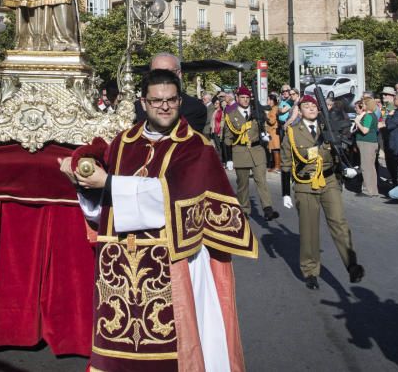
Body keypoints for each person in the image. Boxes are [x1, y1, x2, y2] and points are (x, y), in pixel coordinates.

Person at [59, 68, 258, 371]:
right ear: (143, 102)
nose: (165, 107)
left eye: (171, 100)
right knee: (117, 351)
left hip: (176, 264)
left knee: (179, 347)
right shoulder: (123, 142)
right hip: (120, 270)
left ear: (180, 100)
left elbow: (172, 196)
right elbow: (103, 210)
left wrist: (109, 184)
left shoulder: (196, 147)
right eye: (156, 101)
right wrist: (83, 184)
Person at [280, 94, 365, 289]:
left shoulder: (327, 127)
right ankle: (310, 271)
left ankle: (351, 264)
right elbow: (286, 164)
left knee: (339, 222)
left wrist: (346, 167)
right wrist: (285, 192)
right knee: (309, 230)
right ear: (299, 111)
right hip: (305, 184)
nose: (310, 108)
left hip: (328, 181)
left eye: (313, 106)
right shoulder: (292, 133)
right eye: (306, 106)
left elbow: (340, 150)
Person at [222, 85, 278, 221]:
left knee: (261, 180)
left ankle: (267, 208)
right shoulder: (231, 116)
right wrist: (228, 158)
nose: (246, 100)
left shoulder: (256, 113)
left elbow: (264, 127)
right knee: (243, 184)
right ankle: (244, 209)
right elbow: (227, 139)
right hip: (240, 151)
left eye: (247, 98)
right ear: (237, 98)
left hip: (257, 150)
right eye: (243, 97)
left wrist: (265, 135)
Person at [133, 53, 207, 133]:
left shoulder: (195, 108)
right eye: (157, 73)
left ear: (179, 74)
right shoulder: (136, 108)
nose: (162, 77)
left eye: (168, 73)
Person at [353, 96, 379, 197]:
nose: (361, 105)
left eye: (363, 104)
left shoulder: (368, 116)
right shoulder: (372, 115)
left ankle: (367, 190)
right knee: (371, 167)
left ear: (367, 105)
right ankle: (373, 190)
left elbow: (365, 130)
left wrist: (357, 122)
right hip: (371, 143)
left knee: (366, 167)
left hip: (367, 143)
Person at [265, 92, 282, 173]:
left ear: (272, 101)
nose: (267, 102)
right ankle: (276, 166)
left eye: (268, 100)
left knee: (276, 149)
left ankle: (277, 167)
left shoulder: (274, 109)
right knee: (275, 149)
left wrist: (266, 116)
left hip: (274, 132)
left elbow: (272, 121)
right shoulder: (273, 108)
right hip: (272, 131)